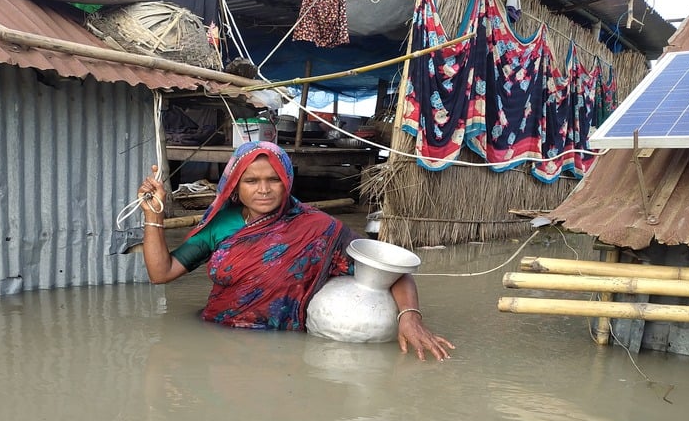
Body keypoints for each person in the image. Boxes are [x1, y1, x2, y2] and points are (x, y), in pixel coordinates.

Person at [136, 141, 454, 361]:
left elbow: (391, 270)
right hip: (214, 339)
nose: (263, 189)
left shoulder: (318, 229)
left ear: (287, 179)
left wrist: (409, 318)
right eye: (251, 181)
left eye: (273, 179)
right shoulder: (220, 225)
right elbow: (161, 273)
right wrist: (154, 215)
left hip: (282, 350)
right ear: (234, 184)